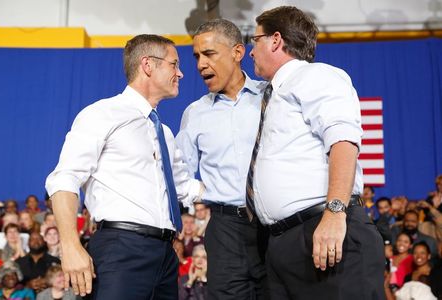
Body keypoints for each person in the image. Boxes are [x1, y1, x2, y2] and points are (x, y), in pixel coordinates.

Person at [45, 34, 203, 299]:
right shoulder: (102, 114)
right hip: (120, 249)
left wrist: (241, 192)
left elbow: (185, 187)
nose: (181, 73)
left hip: (166, 255)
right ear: (148, 65)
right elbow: (63, 179)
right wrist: (70, 246)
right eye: (174, 64)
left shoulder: (164, 133)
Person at [247, 6, 385, 299]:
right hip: (283, 245)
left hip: (324, 233)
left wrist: (335, 213)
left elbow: (343, 142)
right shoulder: (271, 95)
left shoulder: (315, 76)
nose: (250, 51)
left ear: (275, 40)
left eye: (254, 39)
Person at [176, 19, 268, 299]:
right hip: (225, 230)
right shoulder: (195, 114)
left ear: (237, 52)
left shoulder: (272, 97)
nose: (201, 64)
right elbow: (179, 173)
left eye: (209, 54)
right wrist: (196, 191)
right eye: (196, 57)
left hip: (273, 227)